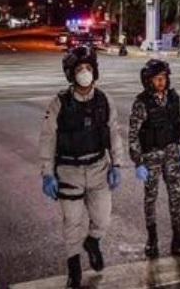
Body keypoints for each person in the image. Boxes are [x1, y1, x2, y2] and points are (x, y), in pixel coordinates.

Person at [39, 46, 124, 288]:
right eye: (79, 69)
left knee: (103, 219)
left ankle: (93, 241)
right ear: (70, 73)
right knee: (72, 222)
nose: (84, 73)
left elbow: (113, 133)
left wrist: (117, 164)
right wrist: (47, 174)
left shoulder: (104, 100)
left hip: (98, 168)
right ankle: (74, 266)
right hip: (69, 171)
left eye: (88, 68)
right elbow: (48, 139)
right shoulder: (59, 103)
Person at [128, 59, 180, 258]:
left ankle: (179, 238)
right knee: (151, 198)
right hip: (151, 156)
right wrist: (138, 161)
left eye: (164, 78)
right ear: (148, 80)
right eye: (157, 78)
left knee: (176, 196)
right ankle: (152, 240)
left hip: (172, 153)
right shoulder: (142, 103)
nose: (161, 82)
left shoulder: (173, 99)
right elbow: (133, 134)